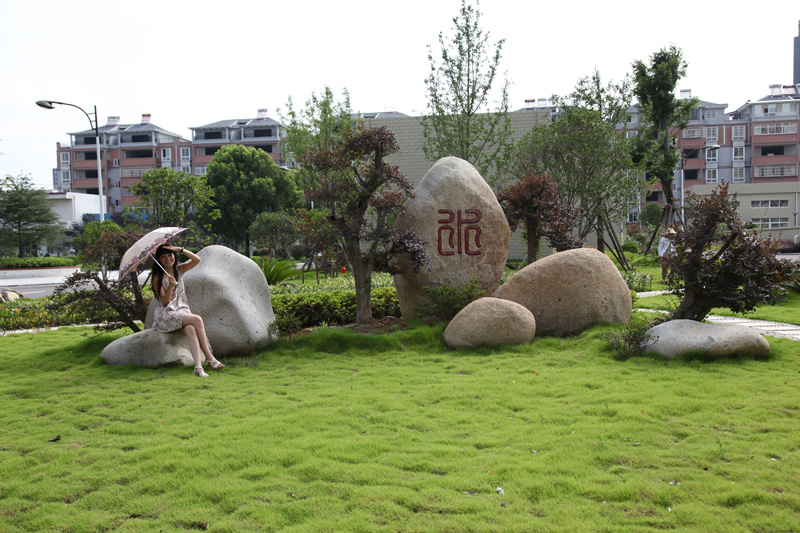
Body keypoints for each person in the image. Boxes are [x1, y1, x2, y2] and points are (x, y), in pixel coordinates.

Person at [151, 245, 224, 378]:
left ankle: (198, 367)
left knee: (191, 329)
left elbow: (196, 260)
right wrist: (171, 287)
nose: (168, 259)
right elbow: (164, 302)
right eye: (164, 256)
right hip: (167, 313)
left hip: (182, 309)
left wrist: (180, 249)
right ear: (159, 260)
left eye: (170, 255)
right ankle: (209, 357)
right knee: (197, 319)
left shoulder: (179, 269)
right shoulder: (158, 277)